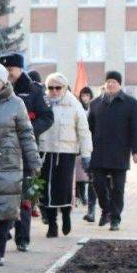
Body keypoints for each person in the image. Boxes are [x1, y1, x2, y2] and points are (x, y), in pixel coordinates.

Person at [0, 63, 39, 266]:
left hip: (9, 161)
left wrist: (33, 160)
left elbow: (26, 133)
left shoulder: (16, 104)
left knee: (5, 207)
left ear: (4, 81)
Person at [0, 52, 53, 252]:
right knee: (1, 193)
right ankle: (0, 235)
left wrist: (27, 130)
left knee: (24, 195)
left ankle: (23, 237)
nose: (7, 74)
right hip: (2, 150)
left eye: (10, 70)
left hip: (25, 149)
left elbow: (47, 117)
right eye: (4, 70)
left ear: (19, 69)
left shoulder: (34, 90)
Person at [87, 71, 137, 231]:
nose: (111, 84)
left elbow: (136, 129)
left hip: (120, 151)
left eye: (114, 81)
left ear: (120, 84)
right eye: (108, 81)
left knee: (118, 188)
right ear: (105, 84)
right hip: (98, 152)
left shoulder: (131, 104)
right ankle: (106, 209)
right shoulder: (95, 103)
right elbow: (88, 129)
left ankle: (115, 218)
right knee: (98, 184)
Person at [38, 73, 92, 237]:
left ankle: (66, 216)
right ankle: (52, 224)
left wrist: (86, 153)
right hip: (46, 150)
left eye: (57, 87)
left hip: (66, 152)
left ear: (64, 87)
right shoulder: (43, 103)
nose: (54, 91)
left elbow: (83, 131)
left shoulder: (74, 104)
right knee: (46, 188)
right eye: (50, 88)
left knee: (63, 188)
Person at [75, 86, 97, 222]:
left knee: (95, 180)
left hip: (96, 148)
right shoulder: (78, 109)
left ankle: (96, 209)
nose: (85, 98)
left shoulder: (95, 108)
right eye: (83, 95)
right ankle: (90, 209)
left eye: (87, 95)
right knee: (85, 176)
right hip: (82, 147)